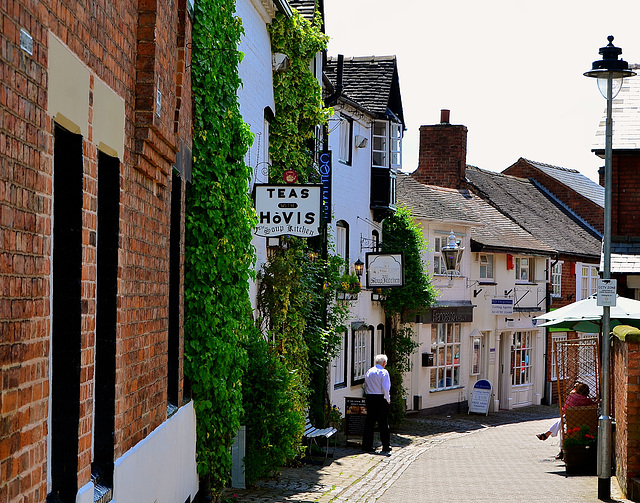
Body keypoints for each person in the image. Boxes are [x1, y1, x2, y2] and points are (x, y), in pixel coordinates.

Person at [536, 382, 596, 459]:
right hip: (584, 422)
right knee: (562, 422)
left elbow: (564, 409)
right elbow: (594, 404)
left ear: (577, 390)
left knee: (562, 424)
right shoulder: (588, 401)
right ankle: (547, 434)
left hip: (571, 422)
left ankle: (559, 448)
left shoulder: (572, 398)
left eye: (575, 387)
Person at [362, 354, 392, 455]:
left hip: (370, 398)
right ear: (384, 363)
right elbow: (385, 388)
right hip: (380, 398)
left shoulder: (369, 371)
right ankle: (386, 445)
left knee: (369, 422)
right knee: (383, 422)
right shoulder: (384, 372)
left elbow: (365, 385)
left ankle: (366, 445)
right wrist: (387, 399)